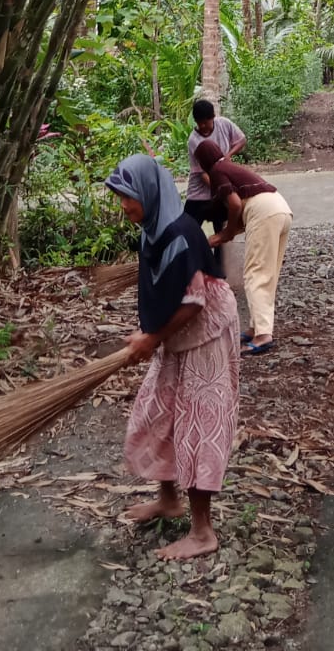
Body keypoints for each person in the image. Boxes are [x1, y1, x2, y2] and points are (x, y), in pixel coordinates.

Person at [105, 153, 240, 560]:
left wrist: (151, 338)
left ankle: (202, 532)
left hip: (206, 333)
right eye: (121, 197)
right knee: (157, 412)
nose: (124, 205)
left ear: (147, 192)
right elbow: (162, 291)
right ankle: (169, 499)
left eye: (128, 196)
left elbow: (195, 301)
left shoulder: (180, 233)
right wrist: (150, 334)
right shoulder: (152, 231)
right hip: (176, 335)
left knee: (198, 424)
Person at [193, 139, 293, 355]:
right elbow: (242, 214)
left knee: (255, 274)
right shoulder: (229, 165)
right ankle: (256, 327)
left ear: (203, 162)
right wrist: (221, 236)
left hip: (264, 212)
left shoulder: (217, 170)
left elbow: (237, 205)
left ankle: (263, 335)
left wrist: (226, 233)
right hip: (281, 209)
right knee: (268, 273)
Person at [185, 99, 247, 273]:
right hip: (199, 195)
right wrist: (222, 188)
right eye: (200, 123)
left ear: (213, 118)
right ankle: (188, 266)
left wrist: (227, 157)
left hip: (221, 191)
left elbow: (241, 140)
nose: (203, 126)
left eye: (206, 121)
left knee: (221, 230)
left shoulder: (224, 125)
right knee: (187, 230)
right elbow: (202, 173)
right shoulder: (193, 140)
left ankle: (218, 271)